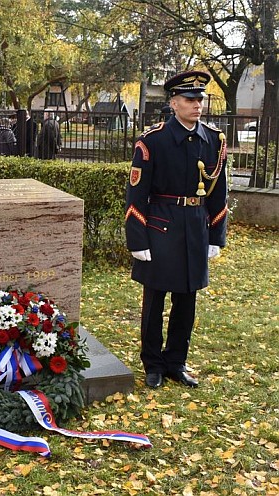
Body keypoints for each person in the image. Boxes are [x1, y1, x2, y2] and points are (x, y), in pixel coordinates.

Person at [124, 70, 228, 389]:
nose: (197, 105)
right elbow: (136, 195)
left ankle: (176, 362)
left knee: (187, 300)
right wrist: (137, 239)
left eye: (200, 99)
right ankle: (153, 364)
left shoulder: (213, 140)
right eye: (189, 99)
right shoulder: (152, 140)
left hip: (195, 228)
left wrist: (215, 234)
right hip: (161, 227)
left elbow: (218, 192)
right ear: (173, 103)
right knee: (155, 300)